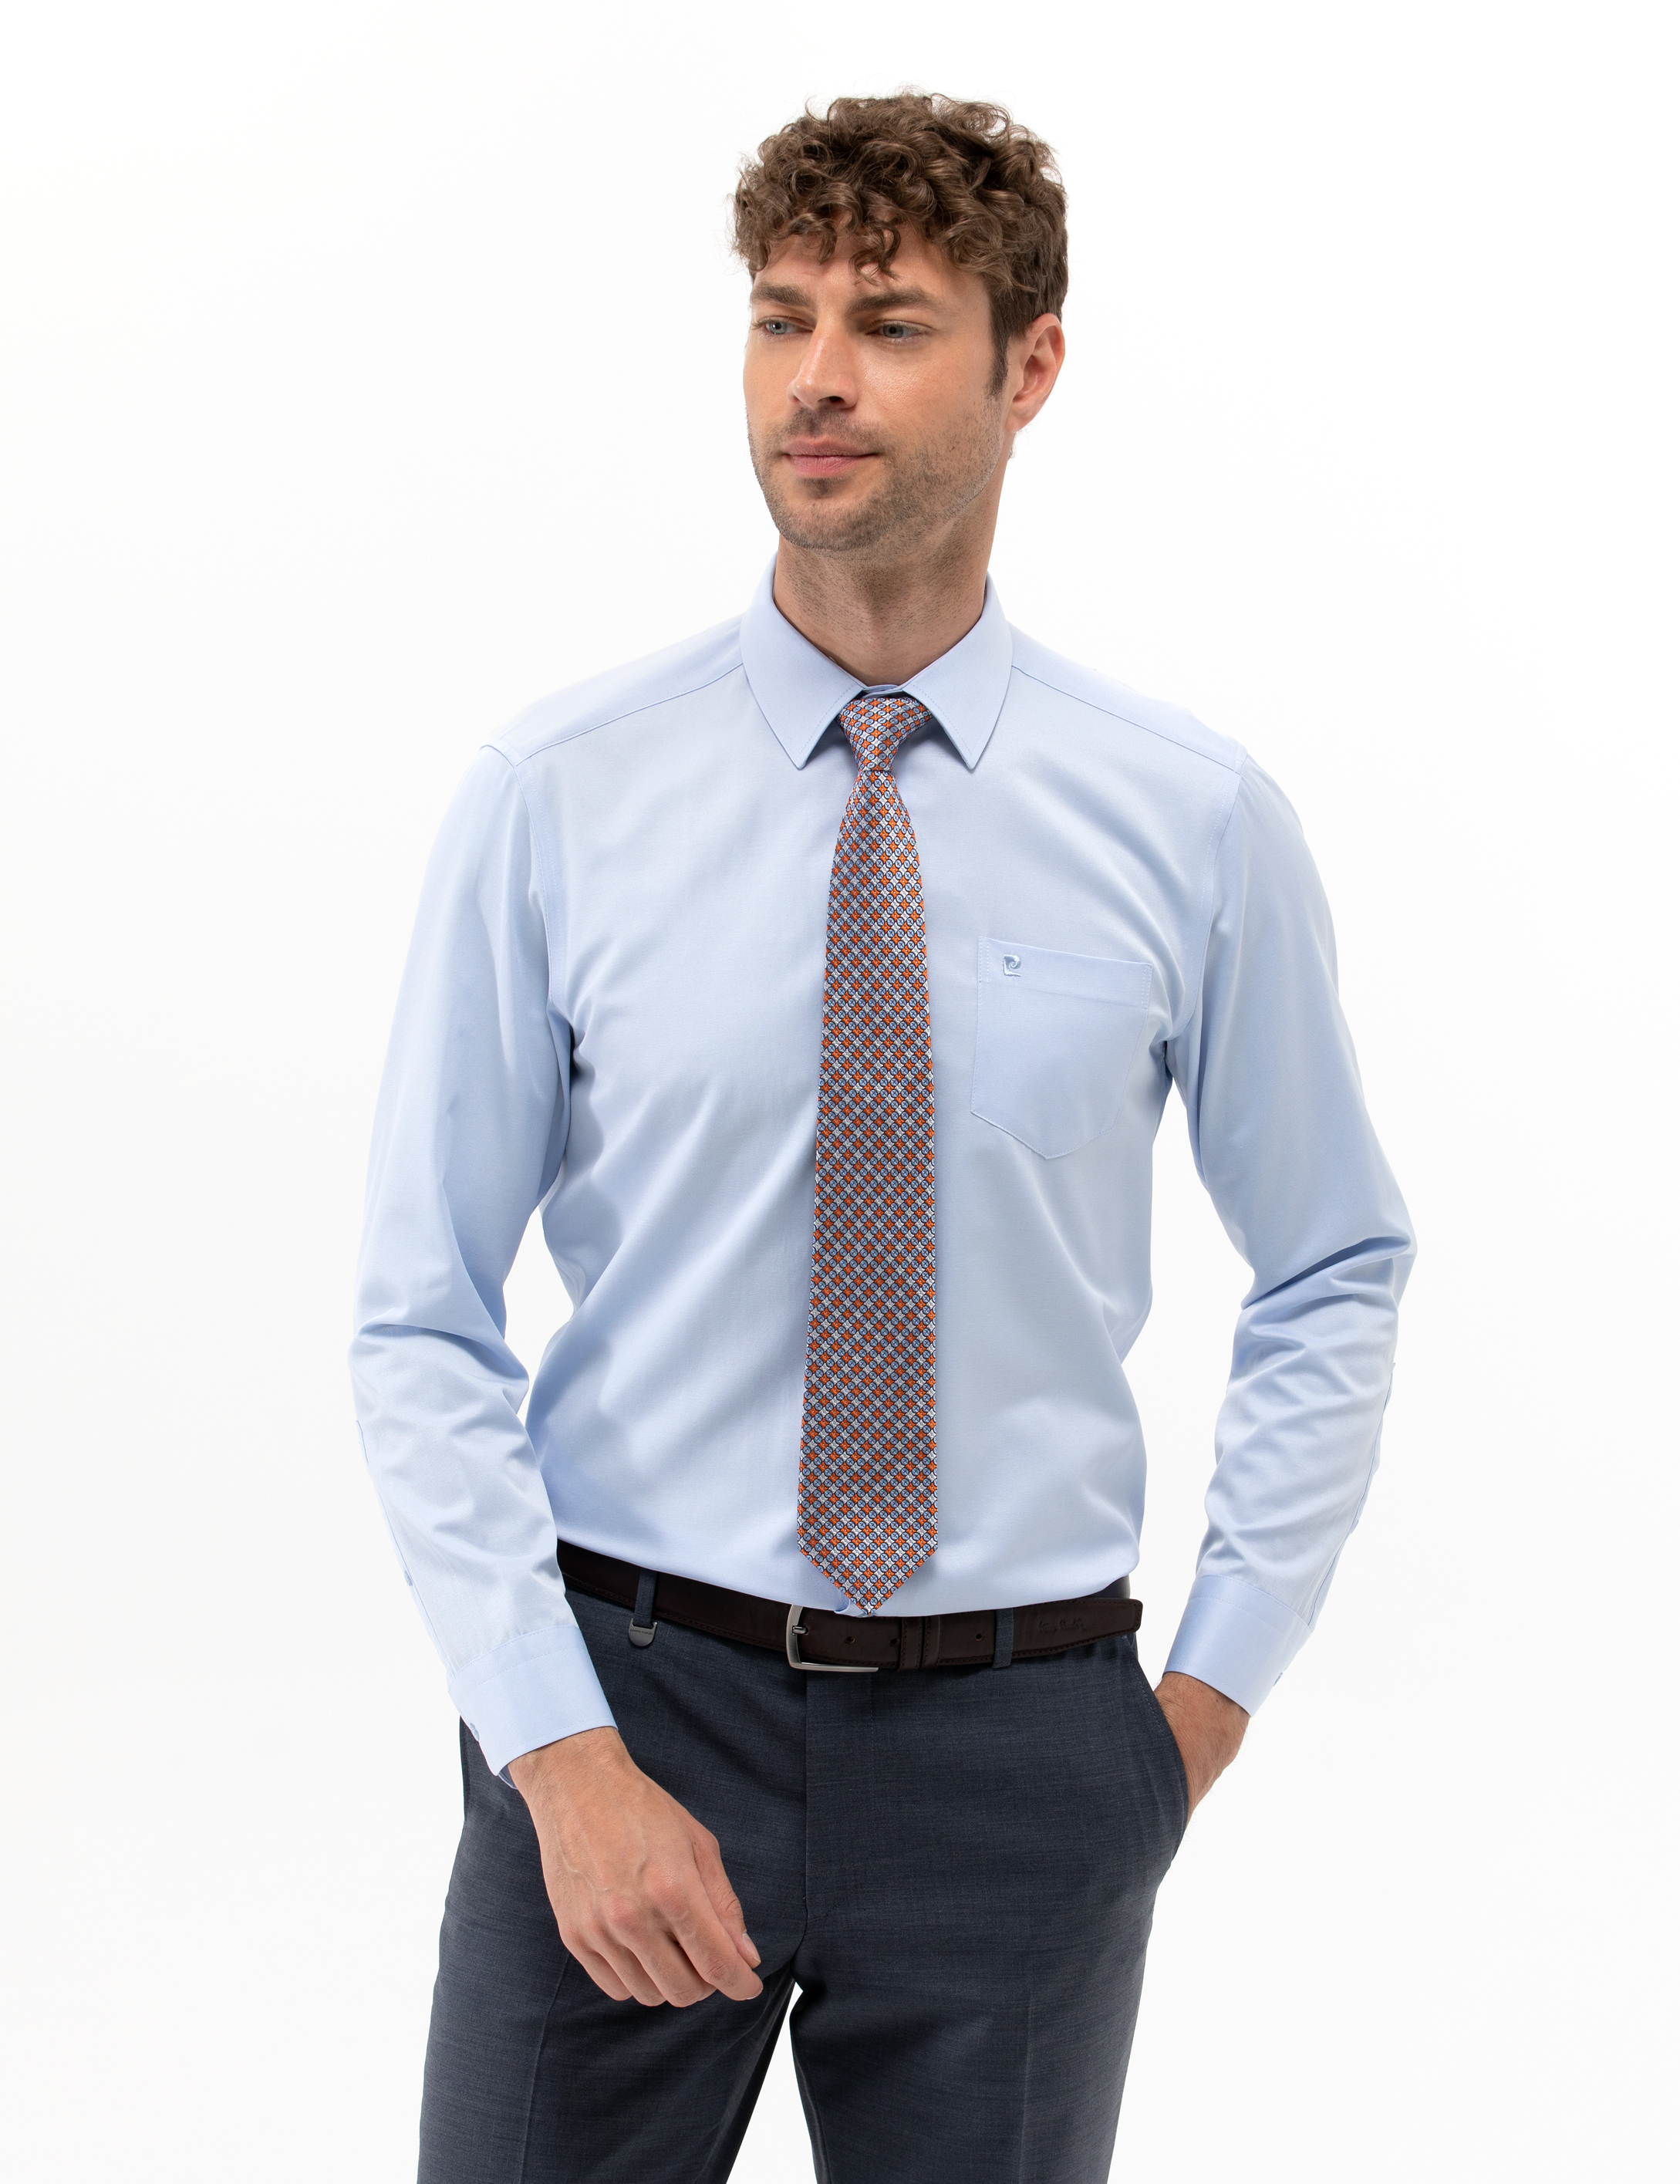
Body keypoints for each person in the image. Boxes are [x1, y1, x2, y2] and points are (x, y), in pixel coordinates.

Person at [351, 91, 1414, 2184]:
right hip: (628, 1714)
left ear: (1031, 366)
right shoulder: (560, 796)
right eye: (781, 317)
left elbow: (1333, 1264)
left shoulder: (1189, 821)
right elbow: (417, 1313)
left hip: (1024, 1745)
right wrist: (554, 1746)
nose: (815, 378)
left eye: (891, 323)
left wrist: (1190, 1715)